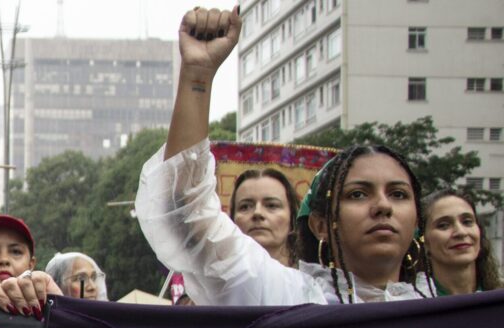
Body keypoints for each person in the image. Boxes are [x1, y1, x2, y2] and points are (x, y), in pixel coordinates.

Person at [134, 5, 433, 305]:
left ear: (417, 219)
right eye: (358, 194)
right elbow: (186, 212)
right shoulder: (286, 296)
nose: (383, 206)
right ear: (320, 225)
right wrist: (197, 75)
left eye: (398, 194)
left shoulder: (450, 318)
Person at [0, 215, 61, 319]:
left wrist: (60, 309)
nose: (4, 259)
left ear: (31, 265)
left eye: (16, 251)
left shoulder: (49, 307)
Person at [421, 190, 501, 295]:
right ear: (424, 241)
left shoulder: (499, 296)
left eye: (467, 222)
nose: (461, 232)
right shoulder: (410, 304)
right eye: (443, 225)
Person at [229, 169, 299, 267]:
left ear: (292, 217)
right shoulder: (215, 279)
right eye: (245, 207)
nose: (257, 213)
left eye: (271, 205)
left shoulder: (316, 280)